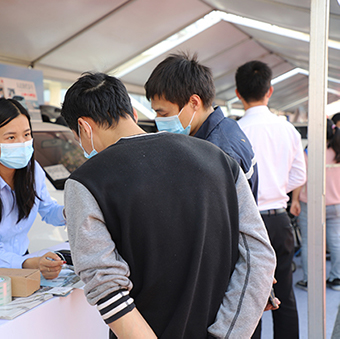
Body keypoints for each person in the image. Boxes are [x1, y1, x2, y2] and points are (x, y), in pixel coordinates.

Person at [61, 72, 276, 338]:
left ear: (84, 127)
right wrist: (225, 334)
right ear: (133, 114)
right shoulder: (219, 160)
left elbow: (105, 287)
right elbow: (259, 256)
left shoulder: (85, 182)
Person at [236, 60, 306, 339]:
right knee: (285, 296)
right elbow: (299, 174)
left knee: (251, 300)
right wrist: (278, 189)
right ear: (270, 91)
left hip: (247, 225)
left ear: (238, 94)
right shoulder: (286, 129)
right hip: (279, 220)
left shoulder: (234, 131)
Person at [0, 98, 66, 279]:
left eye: (26, 134)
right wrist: (33, 264)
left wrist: (70, 212)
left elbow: (48, 210)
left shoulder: (34, 171)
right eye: (11, 137)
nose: (22, 143)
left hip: (23, 262)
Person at [144, 52, 258, 200]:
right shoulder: (225, 128)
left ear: (194, 103)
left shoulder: (217, 153)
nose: (158, 121)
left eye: (164, 114)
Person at [291, 119, 340, 291]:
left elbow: (300, 178)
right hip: (336, 204)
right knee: (336, 242)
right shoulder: (338, 150)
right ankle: (337, 279)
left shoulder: (309, 152)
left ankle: (310, 281)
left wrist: (295, 200)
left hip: (311, 204)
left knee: (309, 243)